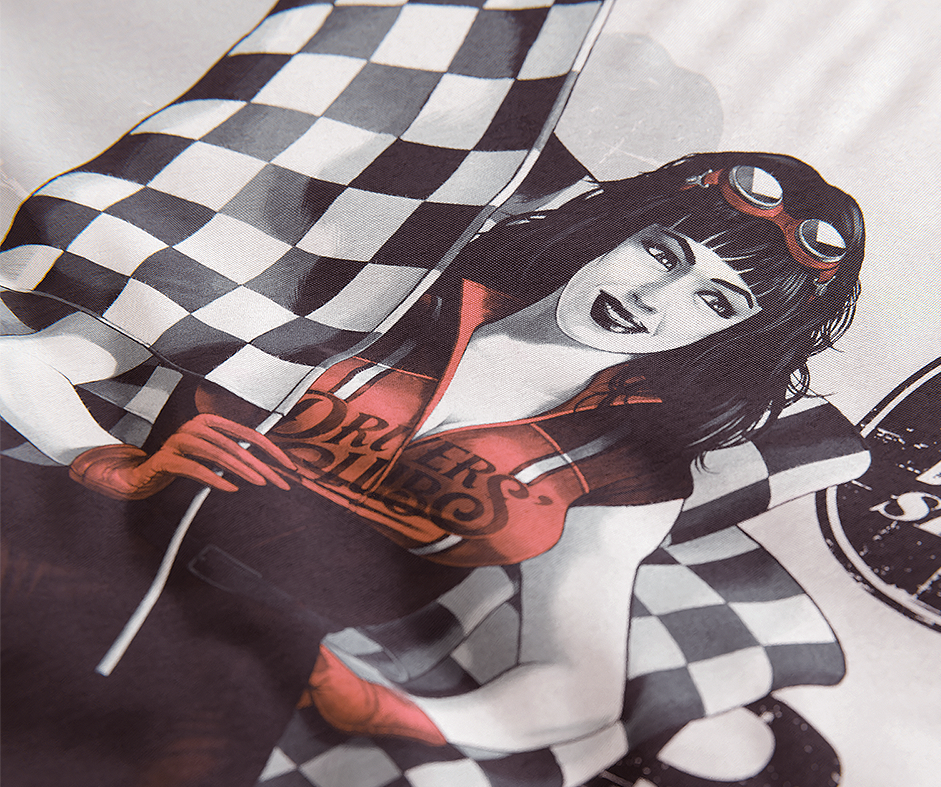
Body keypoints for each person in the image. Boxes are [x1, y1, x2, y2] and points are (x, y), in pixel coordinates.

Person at [0, 152, 864, 755]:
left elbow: (576, 681)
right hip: (48, 566)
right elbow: (22, 361)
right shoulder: (377, 280)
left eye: (715, 301)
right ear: (618, 229)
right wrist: (97, 455)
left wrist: (394, 710)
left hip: (223, 697)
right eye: (661, 253)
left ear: (737, 335)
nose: (653, 299)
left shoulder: (631, 464)